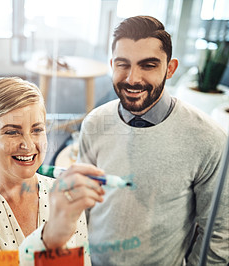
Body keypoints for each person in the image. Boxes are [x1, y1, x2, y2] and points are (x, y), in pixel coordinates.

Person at [78, 15, 229, 265]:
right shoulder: (94, 123)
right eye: (123, 64)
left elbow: (219, 233)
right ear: (112, 64)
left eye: (148, 65)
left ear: (170, 69)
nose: (132, 79)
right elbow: (83, 206)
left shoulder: (209, 139)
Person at [0, 77, 106, 266]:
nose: (28, 145)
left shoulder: (65, 196)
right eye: (12, 132)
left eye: (37, 129)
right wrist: (49, 238)